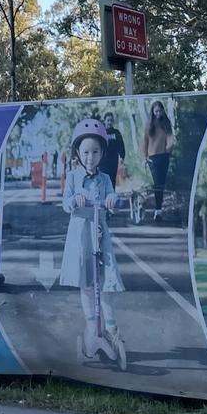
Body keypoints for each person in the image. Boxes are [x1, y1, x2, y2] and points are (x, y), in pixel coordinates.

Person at [61, 117, 126, 368]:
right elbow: (65, 203)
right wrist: (74, 201)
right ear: (78, 152)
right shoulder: (72, 177)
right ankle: (91, 327)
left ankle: (110, 328)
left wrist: (112, 200)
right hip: (80, 235)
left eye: (95, 152)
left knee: (105, 282)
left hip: (100, 231)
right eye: (86, 152)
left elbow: (112, 196)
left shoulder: (105, 179)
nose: (90, 157)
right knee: (87, 283)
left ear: (101, 153)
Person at [140, 100, 175, 220]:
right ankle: (157, 210)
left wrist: (169, 149)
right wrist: (145, 157)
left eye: (160, 111)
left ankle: (158, 210)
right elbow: (144, 141)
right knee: (157, 183)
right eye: (156, 111)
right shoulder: (149, 124)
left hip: (164, 157)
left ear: (163, 111)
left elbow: (170, 138)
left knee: (161, 184)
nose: (158, 113)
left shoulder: (166, 123)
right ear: (153, 112)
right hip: (152, 158)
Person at [99, 112, 126, 187]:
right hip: (102, 162)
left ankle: (111, 196)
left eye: (111, 120)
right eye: (108, 120)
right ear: (104, 121)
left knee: (112, 180)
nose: (109, 122)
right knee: (103, 180)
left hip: (113, 161)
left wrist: (122, 157)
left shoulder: (116, 133)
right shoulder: (101, 132)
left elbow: (121, 145)